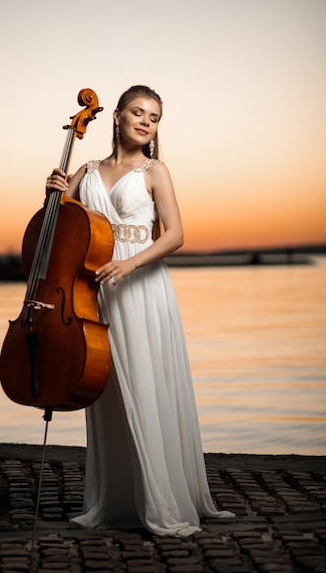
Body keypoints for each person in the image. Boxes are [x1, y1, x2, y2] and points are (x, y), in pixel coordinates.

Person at [45, 85, 234, 536]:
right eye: (138, 112)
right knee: (107, 392)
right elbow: (57, 223)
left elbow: (176, 235)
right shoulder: (86, 170)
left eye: (154, 117)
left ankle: (162, 499)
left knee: (147, 386)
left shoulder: (155, 171)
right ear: (116, 115)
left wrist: (129, 263)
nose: (146, 122)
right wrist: (53, 190)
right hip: (95, 293)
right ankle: (116, 499)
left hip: (142, 287)